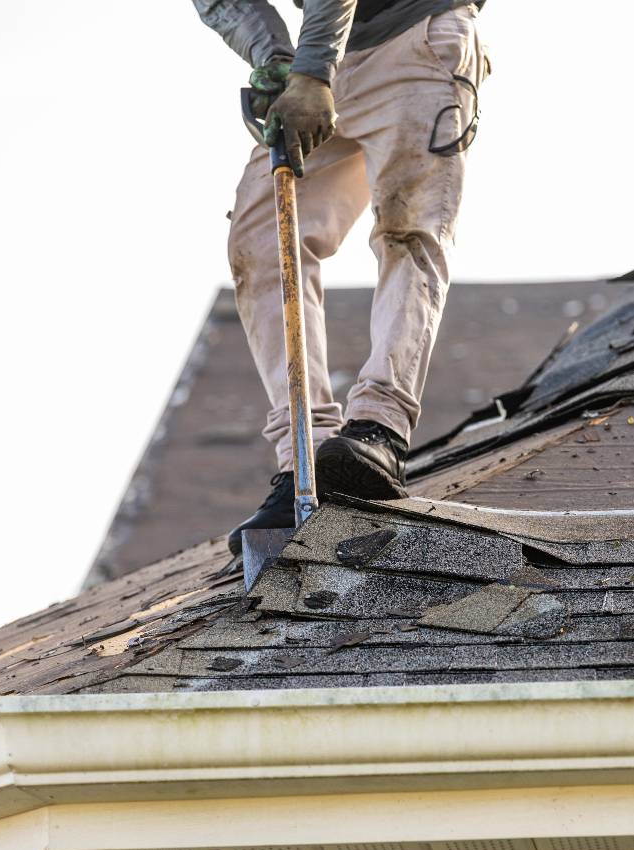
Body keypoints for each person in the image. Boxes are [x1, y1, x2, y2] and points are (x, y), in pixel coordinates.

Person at [192, 0, 489, 554]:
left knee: (409, 226)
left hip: (416, 31)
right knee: (260, 242)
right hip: (326, 54)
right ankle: (305, 454)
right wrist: (279, 62)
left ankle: (379, 428)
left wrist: (308, 73)